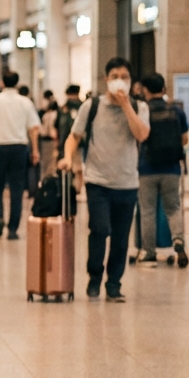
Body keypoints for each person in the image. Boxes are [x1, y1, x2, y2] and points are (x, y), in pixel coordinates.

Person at [57, 58, 151, 301]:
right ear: (106, 79)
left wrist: (126, 105)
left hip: (127, 182)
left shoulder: (140, 107)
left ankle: (114, 283)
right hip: (97, 181)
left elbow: (142, 134)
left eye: (125, 77)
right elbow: (74, 136)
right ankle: (94, 276)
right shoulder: (92, 106)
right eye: (115, 76)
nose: (120, 81)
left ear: (131, 81)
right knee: (99, 229)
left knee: (121, 238)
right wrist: (67, 157)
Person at [135, 73, 189, 268]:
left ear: (145, 91)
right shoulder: (176, 111)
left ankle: (149, 252)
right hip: (172, 168)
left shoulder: (143, 111)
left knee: (148, 210)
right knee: (173, 208)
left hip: (147, 168)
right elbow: (184, 139)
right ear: (164, 89)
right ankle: (178, 240)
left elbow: (139, 137)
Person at [0, 71, 41, 239]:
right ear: (17, 84)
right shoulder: (25, 102)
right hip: (19, 148)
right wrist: (35, 150)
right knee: (17, 188)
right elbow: (34, 128)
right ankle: (13, 228)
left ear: (2, 83)